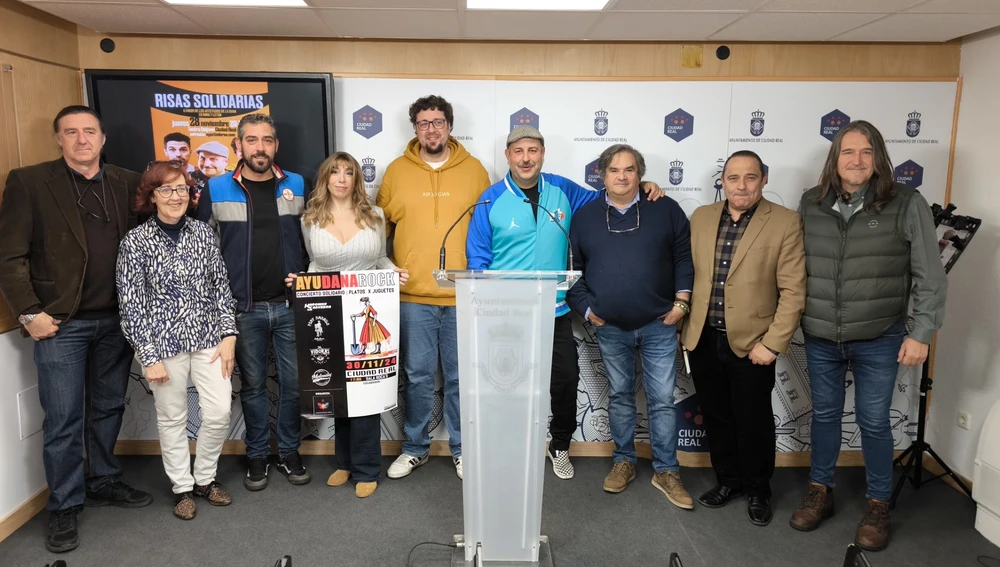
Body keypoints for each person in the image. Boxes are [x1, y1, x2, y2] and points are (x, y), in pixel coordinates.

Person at [466, 125, 663, 480]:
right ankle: (504, 447)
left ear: (542, 154)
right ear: (508, 156)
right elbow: (477, 258)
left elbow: (609, 197)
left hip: (553, 310)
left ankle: (559, 446)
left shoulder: (563, 190)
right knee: (503, 385)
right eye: (518, 151)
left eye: (533, 150)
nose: (526, 158)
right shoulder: (489, 199)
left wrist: (642, 185)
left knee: (565, 381)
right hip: (505, 313)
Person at [789, 120, 948, 551]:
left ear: (878, 157)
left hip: (879, 334)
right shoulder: (811, 202)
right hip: (821, 333)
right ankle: (820, 491)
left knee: (874, 420)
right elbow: (792, 265)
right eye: (848, 152)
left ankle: (879, 504)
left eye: (865, 152)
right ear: (834, 158)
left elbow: (930, 276)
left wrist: (922, 332)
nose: (856, 160)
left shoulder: (906, 202)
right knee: (824, 416)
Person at [0, 105, 151, 553]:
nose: (81, 139)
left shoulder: (128, 182)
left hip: (117, 320)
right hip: (60, 324)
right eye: (71, 132)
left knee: (108, 408)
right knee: (63, 418)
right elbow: (9, 256)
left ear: (103, 138)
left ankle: (103, 479)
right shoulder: (29, 182)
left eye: (89, 131)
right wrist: (29, 312)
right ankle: (64, 504)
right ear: (58, 138)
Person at [681, 150, 806, 526]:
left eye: (750, 177)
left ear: (764, 179)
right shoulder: (701, 217)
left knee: (753, 421)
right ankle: (728, 481)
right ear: (722, 181)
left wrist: (773, 343)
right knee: (716, 416)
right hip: (703, 337)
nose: (741, 185)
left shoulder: (784, 221)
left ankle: (758, 489)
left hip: (754, 343)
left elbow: (794, 291)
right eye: (733, 178)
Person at [566, 144, 694, 509]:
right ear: (602, 175)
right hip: (610, 327)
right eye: (614, 170)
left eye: (630, 170)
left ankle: (666, 471)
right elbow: (573, 270)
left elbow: (684, 258)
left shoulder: (665, 209)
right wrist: (587, 311)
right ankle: (624, 461)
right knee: (621, 397)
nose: (622, 176)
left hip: (659, 324)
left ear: (640, 174)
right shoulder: (584, 217)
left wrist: (681, 303)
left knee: (662, 400)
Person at [195, 113, 311, 490]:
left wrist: (307, 279)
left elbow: (312, 241)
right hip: (242, 310)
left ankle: (289, 452)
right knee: (254, 387)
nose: (260, 148)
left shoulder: (297, 184)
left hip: (290, 305)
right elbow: (203, 251)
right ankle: (258, 455)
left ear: (276, 145)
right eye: (252, 140)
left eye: (267, 140)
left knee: (293, 385)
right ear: (238, 146)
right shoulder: (216, 188)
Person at [378, 95, 491, 481]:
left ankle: (462, 449)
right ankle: (415, 448)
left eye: (438, 122)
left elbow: (487, 228)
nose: (431, 129)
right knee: (418, 376)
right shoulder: (396, 171)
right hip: (413, 297)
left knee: (461, 378)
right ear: (415, 128)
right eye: (424, 123)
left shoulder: (475, 170)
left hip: (463, 295)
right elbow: (378, 228)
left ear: (449, 126)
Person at [116, 162, 237, 520]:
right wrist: (148, 356)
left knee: (219, 412)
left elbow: (221, 287)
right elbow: (131, 305)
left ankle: (205, 479)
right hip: (162, 345)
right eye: (166, 189)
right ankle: (183, 488)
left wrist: (229, 334)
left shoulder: (203, 234)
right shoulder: (135, 242)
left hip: (209, 338)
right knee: (172, 418)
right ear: (152, 196)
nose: (175, 196)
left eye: (181, 188)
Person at [286, 152, 409, 498]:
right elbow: (312, 264)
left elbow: (380, 258)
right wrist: (301, 285)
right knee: (336, 389)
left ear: (356, 179)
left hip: (367, 311)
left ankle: (367, 468)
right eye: (335, 172)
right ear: (325, 178)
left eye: (349, 172)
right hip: (326, 313)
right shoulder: (309, 218)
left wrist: (394, 272)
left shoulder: (376, 215)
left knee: (365, 390)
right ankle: (345, 462)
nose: (341, 179)